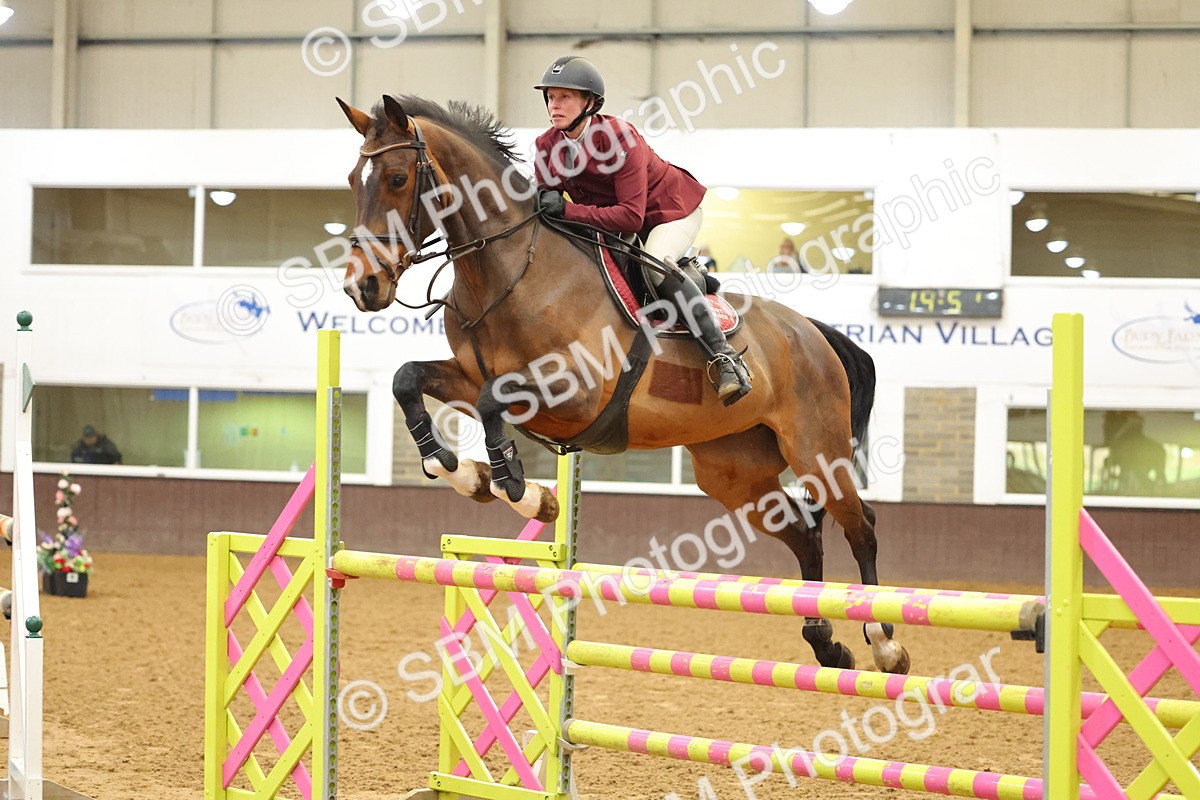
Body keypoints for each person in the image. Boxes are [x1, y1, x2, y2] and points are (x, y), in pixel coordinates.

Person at [532, 55, 752, 405]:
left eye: (564, 97)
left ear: (590, 103)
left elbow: (631, 218)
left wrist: (568, 209)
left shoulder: (620, 137)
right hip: (612, 220)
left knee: (653, 263)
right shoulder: (546, 146)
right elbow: (549, 207)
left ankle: (724, 357)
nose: (553, 105)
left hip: (668, 211)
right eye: (550, 97)